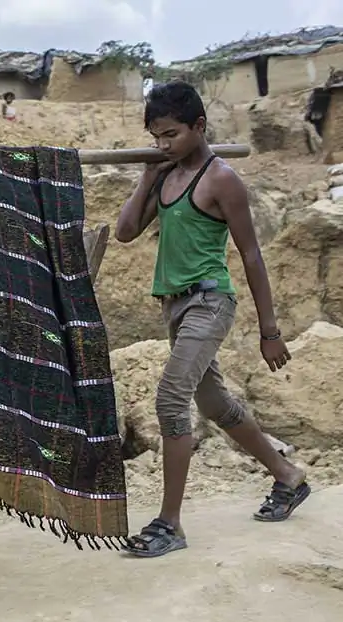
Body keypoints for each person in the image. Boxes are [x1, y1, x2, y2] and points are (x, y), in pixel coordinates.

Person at [114, 81, 310, 558]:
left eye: (171, 134)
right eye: (155, 135)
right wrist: (146, 177)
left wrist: (270, 332)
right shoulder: (164, 175)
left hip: (209, 302)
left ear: (199, 126)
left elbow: (252, 257)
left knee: (170, 398)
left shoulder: (221, 179)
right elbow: (123, 233)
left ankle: (169, 524)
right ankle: (288, 477)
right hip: (175, 307)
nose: (162, 144)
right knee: (214, 403)